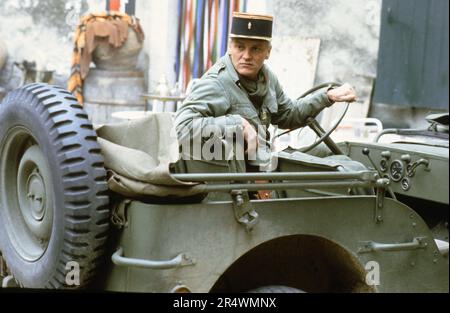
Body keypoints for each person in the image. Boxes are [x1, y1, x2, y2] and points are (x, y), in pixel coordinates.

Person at [174, 12, 357, 173]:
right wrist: (237, 123)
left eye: (255, 49)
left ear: (268, 52)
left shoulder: (267, 78)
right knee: (335, 171)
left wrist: (327, 97)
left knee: (341, 161)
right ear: (230, 48)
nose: (246, 56)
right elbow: (181, 126)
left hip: (263, 166)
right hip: (236, 180)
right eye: (240, 47)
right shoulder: (217, 82)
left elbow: (287, 114)